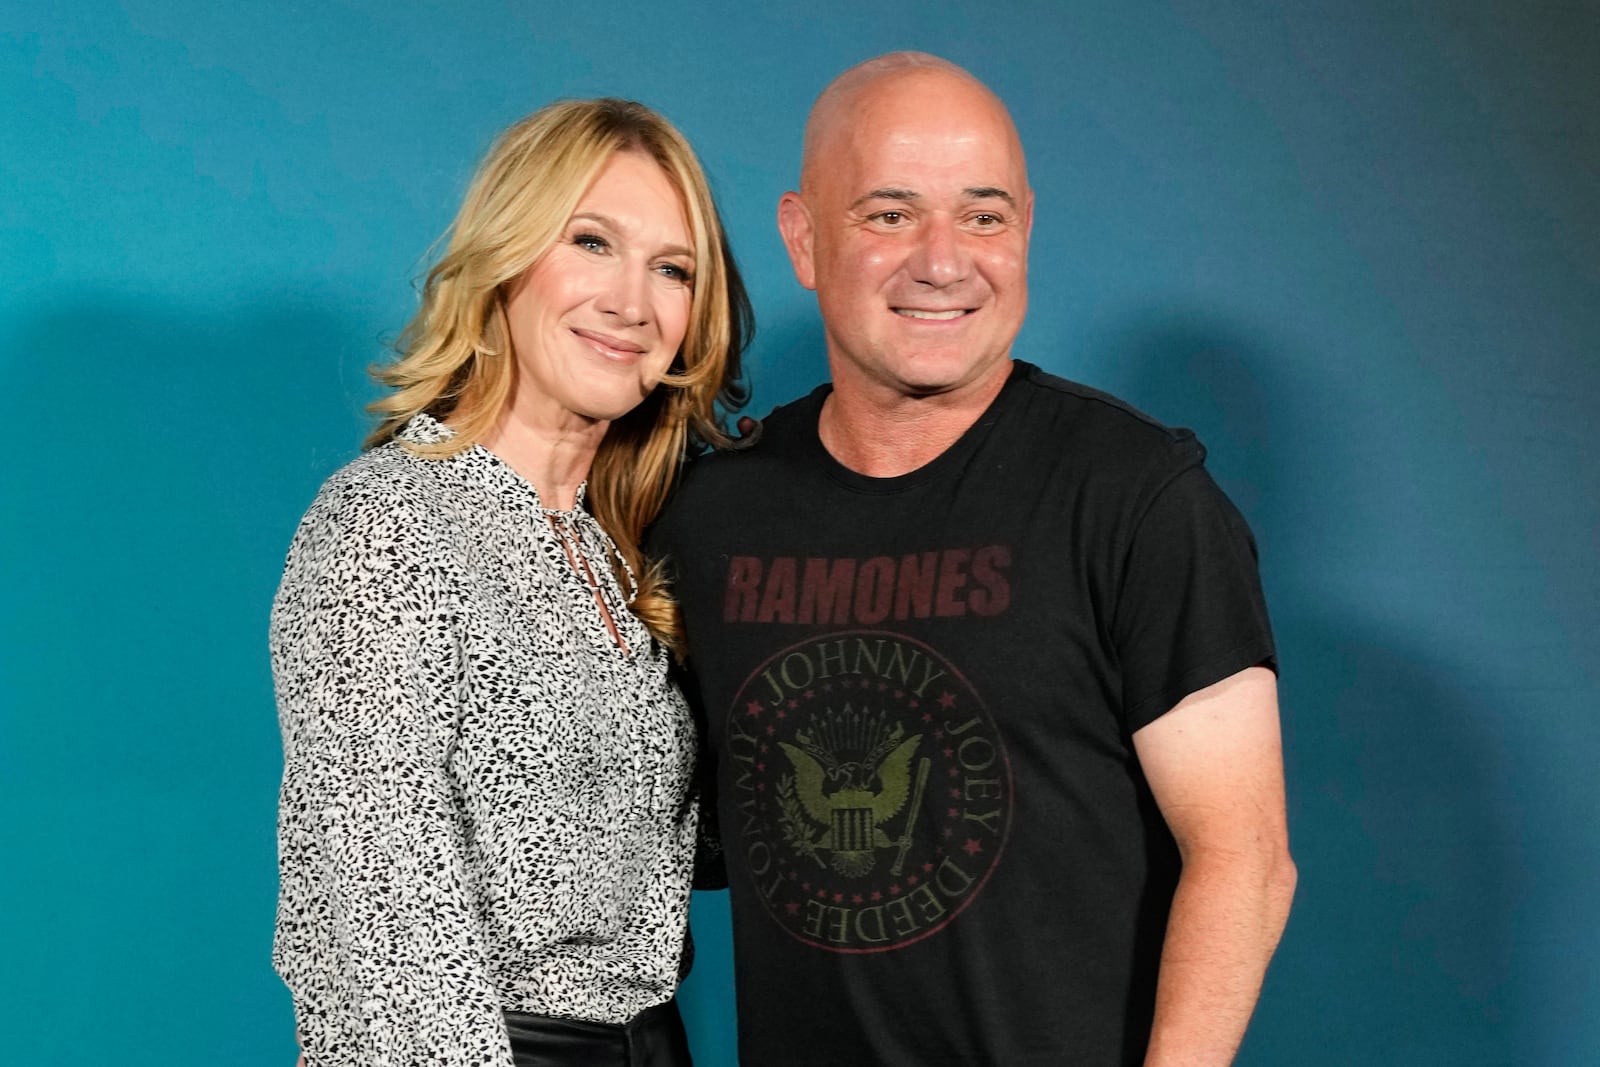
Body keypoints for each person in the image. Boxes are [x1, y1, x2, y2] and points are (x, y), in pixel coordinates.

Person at [651, 53, 1296, 1065]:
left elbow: (1244, 856)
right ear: (804, 237)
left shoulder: (1132, 494)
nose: (943, 260)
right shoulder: (714, 509)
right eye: (889, 213)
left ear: (1025, 227)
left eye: (984, 215)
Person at [270, 97, 750, 1067]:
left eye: (672, 268)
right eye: (591, 242)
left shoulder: (627, 551)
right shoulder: (390, 524)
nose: (632, 302)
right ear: (505, 259)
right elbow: (389, 938)